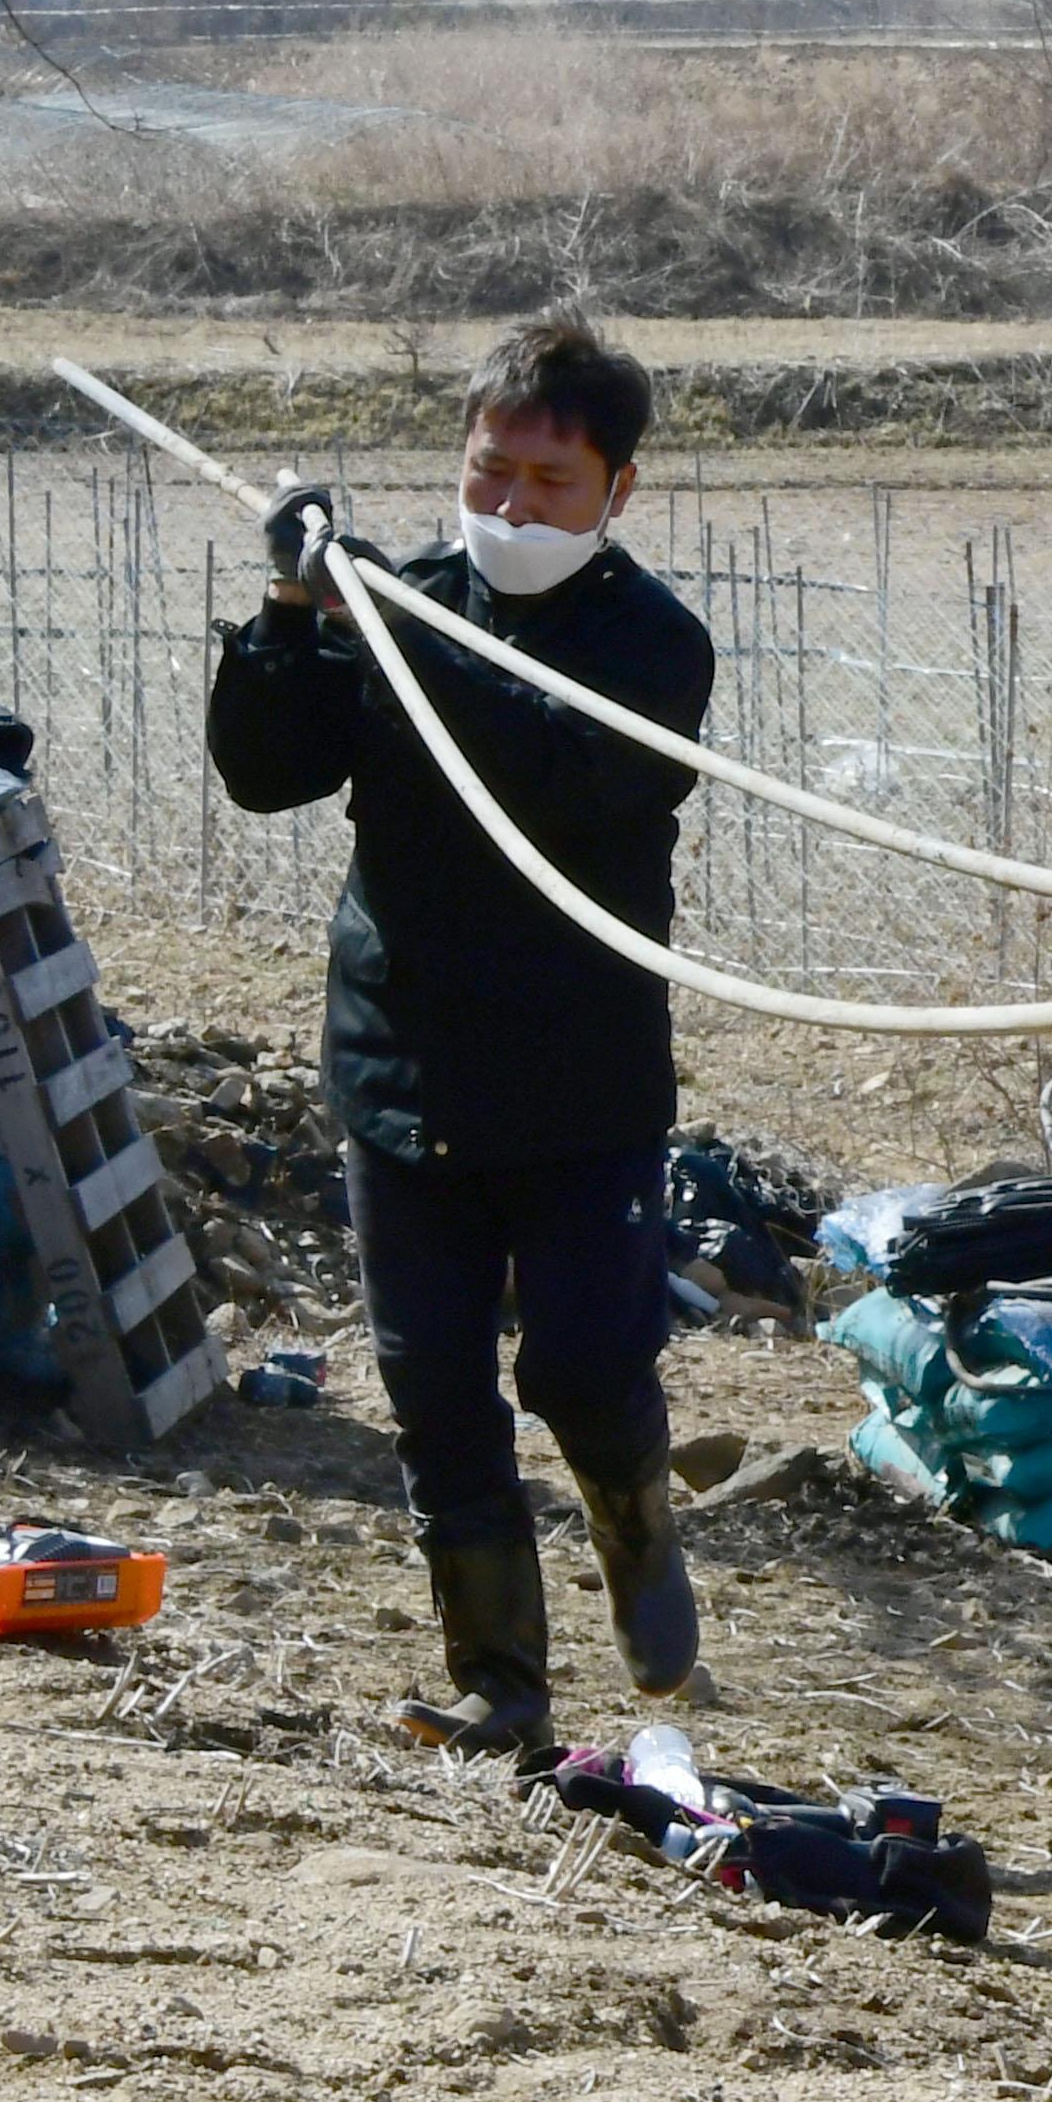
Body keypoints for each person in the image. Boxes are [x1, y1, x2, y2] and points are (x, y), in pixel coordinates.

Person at [208, 316, 716, 1758]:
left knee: (574, 1369)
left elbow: (560, 779)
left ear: (618, 490)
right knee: (432, 1382)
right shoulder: (404, 602)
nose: (509, 510)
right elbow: (267, 772)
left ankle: (634, 1513)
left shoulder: (655, 646)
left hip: (577, 1079)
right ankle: (502, 1682)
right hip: (399, 1059)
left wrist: (390, 627)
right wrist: (295, 612)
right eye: (489, 473)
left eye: (549, 485)